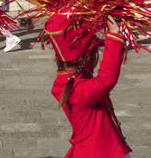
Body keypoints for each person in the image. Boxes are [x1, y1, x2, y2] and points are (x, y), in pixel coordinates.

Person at [47, 11, 132, 158]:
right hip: (101, 151)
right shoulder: (78, 89)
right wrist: (114, 36)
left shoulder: (66, 81)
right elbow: (107, 79)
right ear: (86, 57)